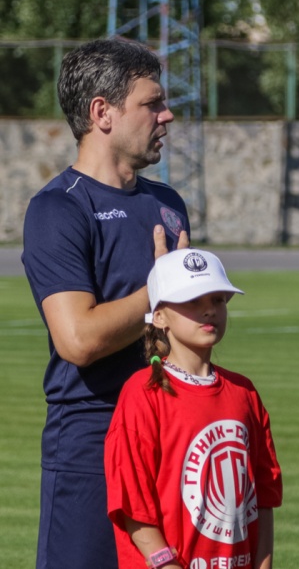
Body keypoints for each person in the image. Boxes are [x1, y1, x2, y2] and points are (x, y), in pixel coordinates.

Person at [21, 38, 190, 569]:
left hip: (169, 431)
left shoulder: (168, 204)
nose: (167, 115)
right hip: (93, 439)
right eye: (152, 103)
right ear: (102, 113)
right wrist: (162, 288)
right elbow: (79, 339)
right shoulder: (58, 209)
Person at [105, 248, 283, 569]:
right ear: (159, 316)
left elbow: (263, 497)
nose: (209, 310)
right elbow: (133, 505)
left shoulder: (244, 392)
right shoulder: (143, 393)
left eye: (218, 300)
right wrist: (167, 563)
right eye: (192, 301)